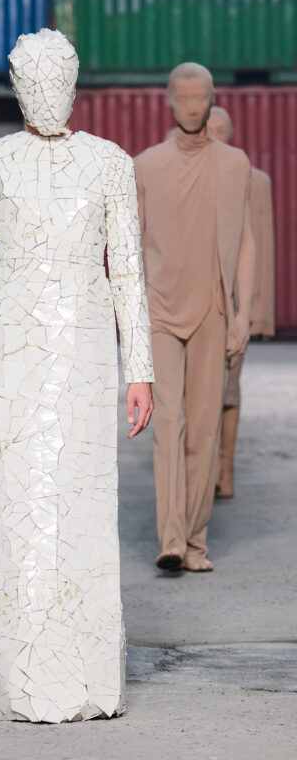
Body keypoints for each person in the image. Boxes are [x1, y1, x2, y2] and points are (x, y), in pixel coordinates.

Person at [0, 28, 154, 723]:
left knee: (77, 497)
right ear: (17, 87)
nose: (46, 92)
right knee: (6, 491)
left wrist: (140, 369)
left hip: (85, 350)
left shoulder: (110, 163)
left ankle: (78, 670)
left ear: (74, 84)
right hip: (9, 348)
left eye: (57, 79)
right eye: (34, 81)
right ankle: (0, 670)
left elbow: (127, 268)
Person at [134, 63, 255, 572]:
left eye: (199, 97)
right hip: (160, 311)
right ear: (167, 100)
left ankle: (196, 541)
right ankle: (172, 539)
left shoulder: (233, 164)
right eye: (181, 97)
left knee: (203, 428)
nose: (190, 106)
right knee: (168, 422)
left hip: (212, 309)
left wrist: (243, 314)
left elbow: (245, 241)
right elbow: (131, 249)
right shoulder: (145, 166)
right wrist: (130, 317)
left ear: (212, 99)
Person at [207, 106, 276, 498]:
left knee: (228, 390)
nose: (212, 135)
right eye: (207, 128)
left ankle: (225, 469)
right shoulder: (192, 175)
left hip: (235, 305)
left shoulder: (254, 181)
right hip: (196, 301)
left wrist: (256, 315)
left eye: (220, 129)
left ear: (231, 134)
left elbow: (259, 247)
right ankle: (202, 469)